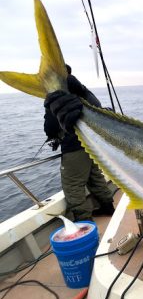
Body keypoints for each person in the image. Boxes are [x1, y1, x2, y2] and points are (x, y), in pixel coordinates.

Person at [44, 65, 115, 222]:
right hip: (91, 144)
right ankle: (108, 206)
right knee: (95, 177)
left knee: (73, 185)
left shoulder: (56, 96)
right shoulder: (82, 91)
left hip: (73, 147)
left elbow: (50, 126)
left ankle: (83, 220)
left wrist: (52, 135)